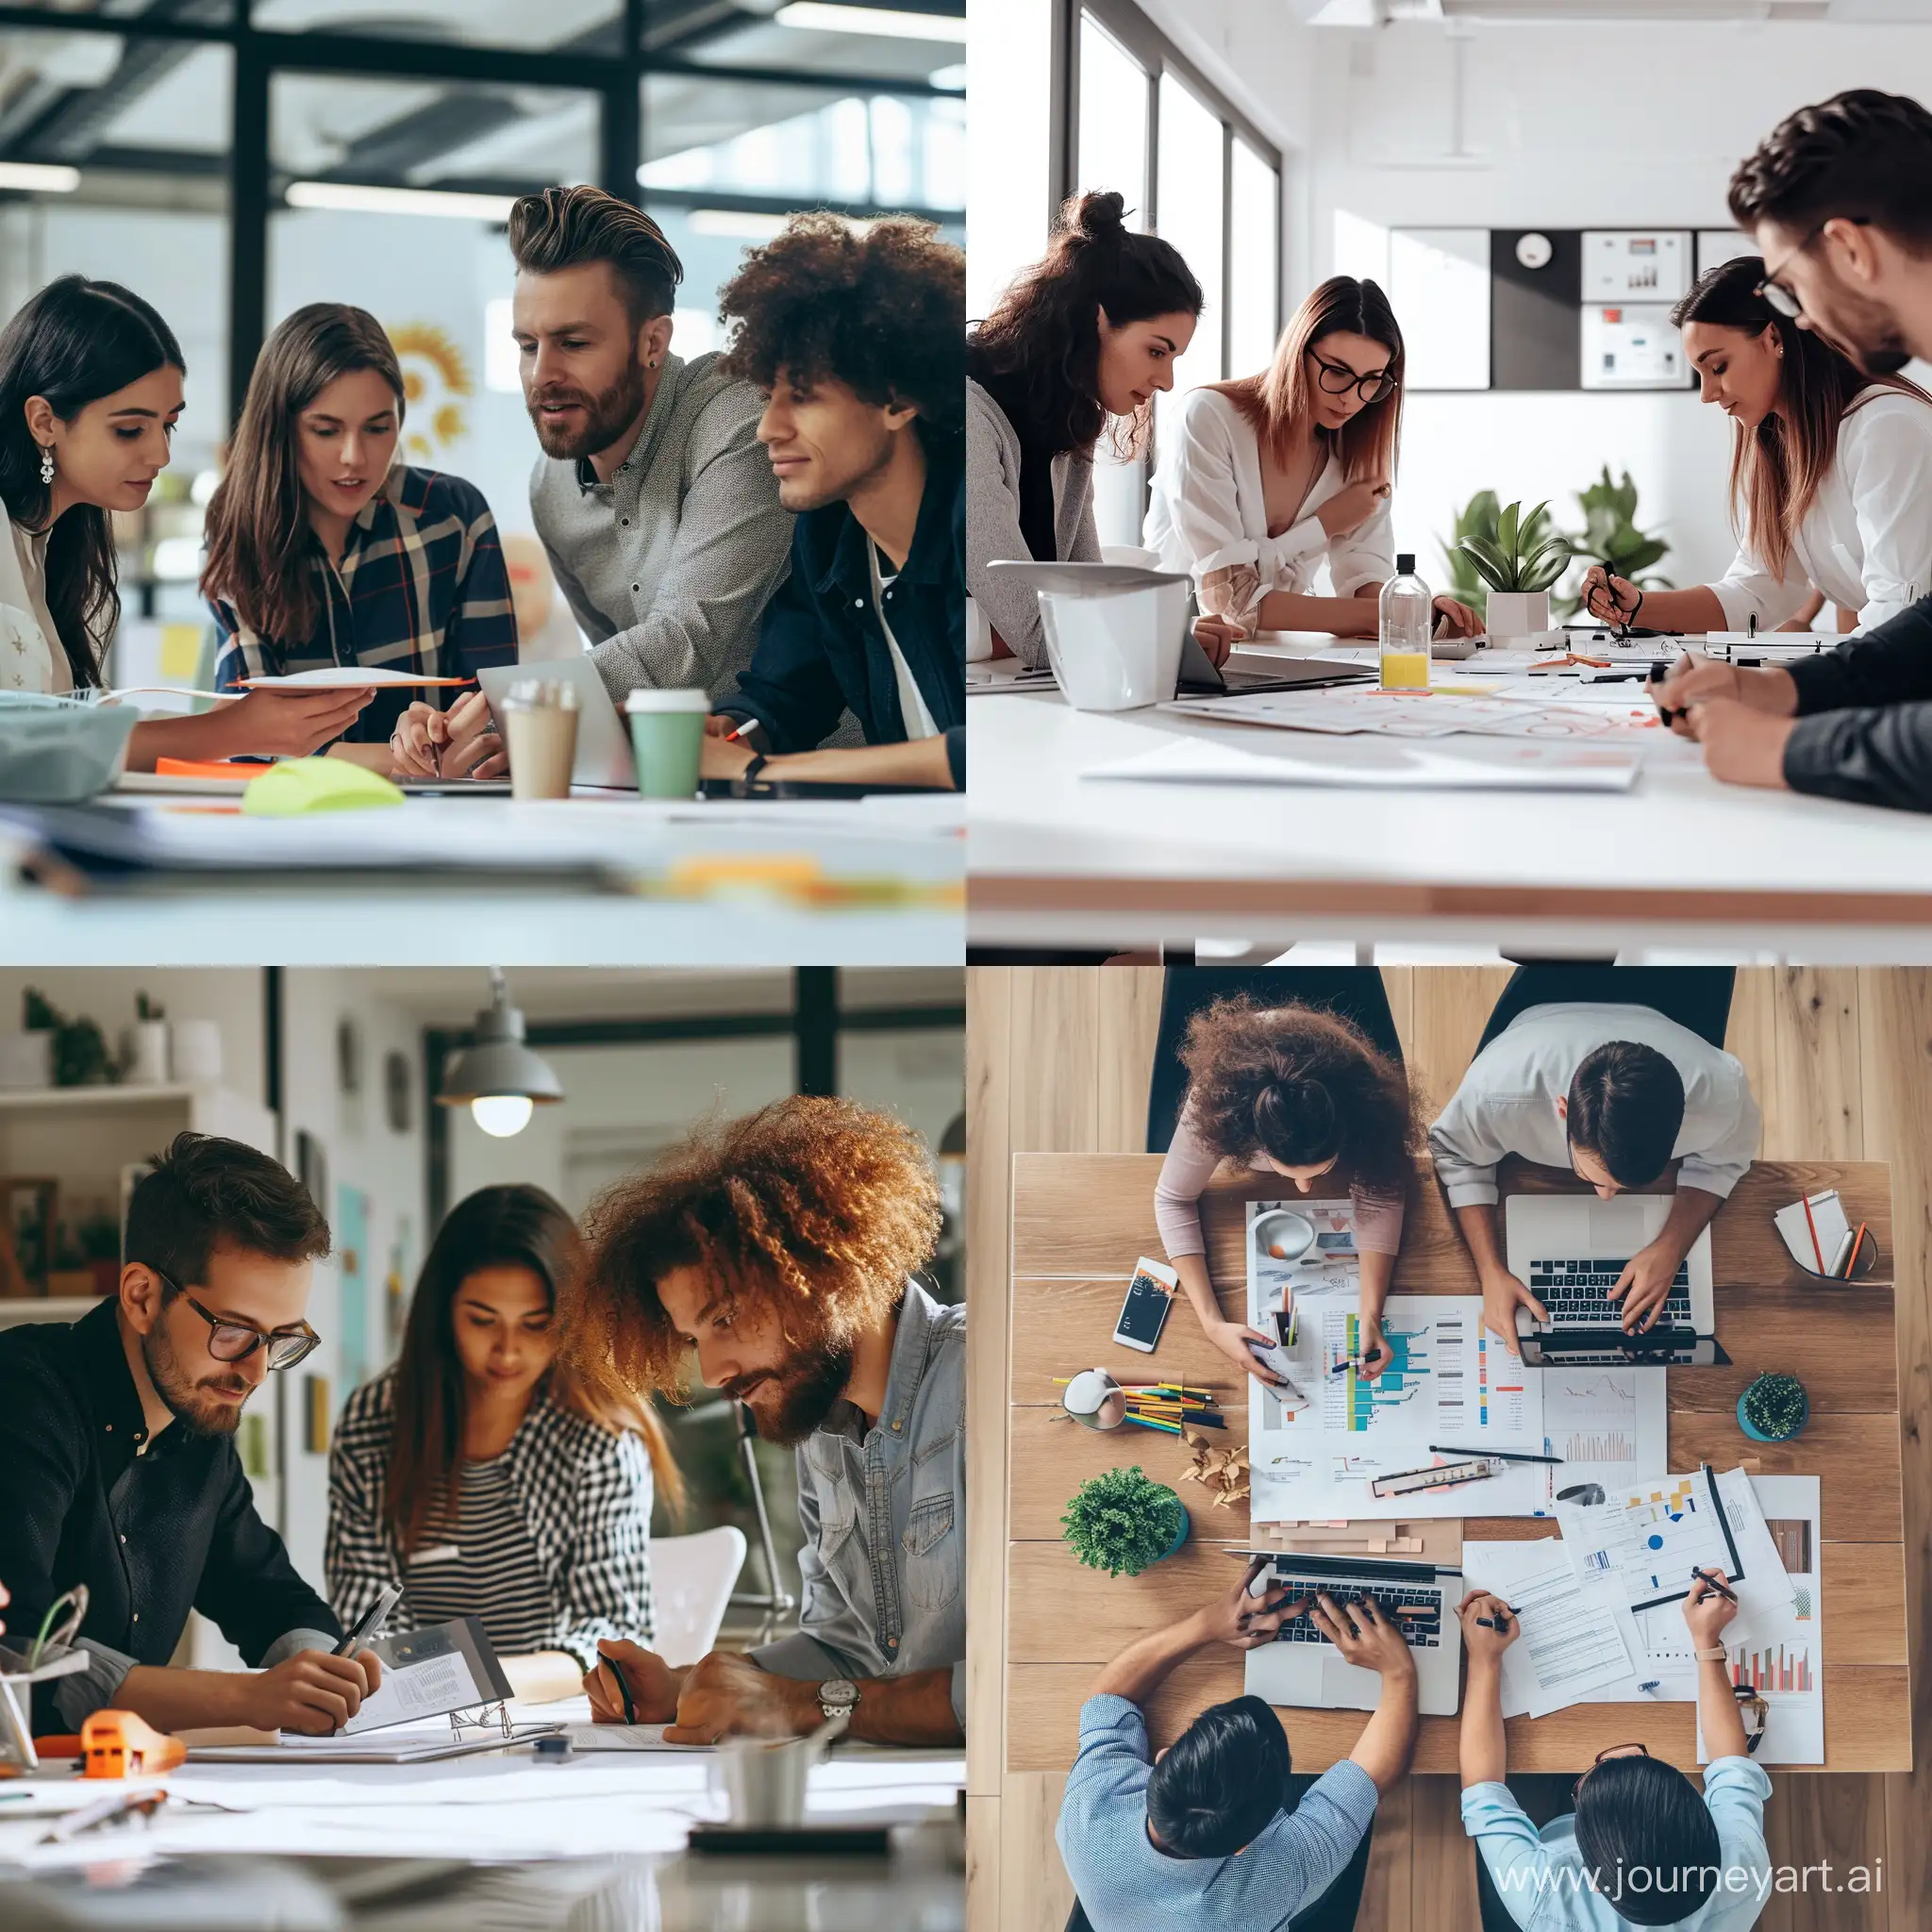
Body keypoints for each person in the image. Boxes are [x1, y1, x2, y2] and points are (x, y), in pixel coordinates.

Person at [569, 1096, 962, 1746]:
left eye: (724, 1319)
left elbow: (1019, 1682)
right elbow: (850, 1650)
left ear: (821, 1269)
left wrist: (805, 1703)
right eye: (695, 1340)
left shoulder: (980, 1384)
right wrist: (687, 1686)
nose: (715, 1371)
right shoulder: (824, 1434)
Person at [0, 1132, 383, 1736]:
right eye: (233, 1330)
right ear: (141, 1296)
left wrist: (322, 1664)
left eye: (283, 1338)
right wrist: (247, 1700)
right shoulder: (22, 1397)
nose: (256, 1371)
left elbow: (267, 1593)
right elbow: (19, 1657)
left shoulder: (199, 1426)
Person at [1647, 89, 1932, 809]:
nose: (1800, 315)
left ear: (1849, 248)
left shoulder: (1889, 420)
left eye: (1789, 286)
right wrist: (1776, 688)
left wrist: (1782, 745)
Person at [0, 275, 378, 769]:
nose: (160, 453)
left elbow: (73, 730)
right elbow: (25, 748)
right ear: (44, 422)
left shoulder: (51, 548)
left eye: (168, 424)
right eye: (130, 429)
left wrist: (243, 727)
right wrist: (231, 730)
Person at [325, 1184, 679, 1704]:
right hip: (411, 1719)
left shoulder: (600, 1435)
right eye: (482, 1320)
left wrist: (469, 1683)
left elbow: (610, 1635)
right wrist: (443, 1687)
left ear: (571, 1321)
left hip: (555, 1719)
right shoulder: (376, 1423)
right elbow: (367, 1626)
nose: (508, 1350)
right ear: (443, 1311)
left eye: (536, 1325)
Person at [703, 212, 965, 791]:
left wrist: (758, 771)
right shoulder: (828, 536)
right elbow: (782, 697)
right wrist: (727, 736)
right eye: (768, 395)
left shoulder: (967, 521)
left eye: (802, 396)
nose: (767, 429)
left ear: (897, 400)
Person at [204, 302, 519, 766]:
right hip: (295, 825)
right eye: (326, 430)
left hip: (440, 823)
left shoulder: (455, 518)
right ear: (281, 429)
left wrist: (441, 733)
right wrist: (404, 757)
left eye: (377, 428)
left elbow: (494, 718)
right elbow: (247, 741)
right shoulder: (238, 526)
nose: (355, 456)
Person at [1056, 1557, 1418, 1931]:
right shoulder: (1272, 1884)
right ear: (1246, 1848)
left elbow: (1109, 1698)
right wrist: (1399, 1672)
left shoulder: (1089, 1811)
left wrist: (1207, 1624)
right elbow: (1374, 1775)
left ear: (1163, 1760)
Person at [1578, 257, 1932, 640]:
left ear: (1774, 339)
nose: (1706, 395)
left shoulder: (1887, 428)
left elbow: (1900, 608)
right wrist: (1640, 607)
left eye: (1718, 367)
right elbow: (1758, 589)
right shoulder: (1782, 445)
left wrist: (1792, 688)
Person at [1429, 968, 1760, 1345]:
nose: (1605, 1198)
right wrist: (1489, 1271)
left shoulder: (1719, 1097)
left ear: (1684, 1119)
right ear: (1562, 1110)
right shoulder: (1496, 1092)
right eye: (1593, 1177)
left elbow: (1727, 1159)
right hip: (1546, 999)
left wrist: (1672, 1247)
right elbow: (1454, 1153)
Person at [1147, 276, 1479, 651]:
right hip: (1177, 654)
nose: (1352, 399)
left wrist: (1413, 607)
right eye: (1337, 371)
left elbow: (1366, 580)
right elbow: (1232, 603)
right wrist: (1325, 529)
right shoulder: (1208, 417)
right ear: (1297, 353)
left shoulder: (1358, 450)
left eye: (1371, 381)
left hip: (1286, 657)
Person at [1148, 974, 1422, 1391]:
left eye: (1321, 1171)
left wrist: (1370, 1314)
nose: (1304, 1191)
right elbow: (1170, 1198)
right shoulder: (1219, 1102)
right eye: (1287, 1173)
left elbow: (1383, 1193)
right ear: (1251, 1140)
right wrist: (1211, 1323)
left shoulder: (1365, 1103)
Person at [967, 189, 1203, 669]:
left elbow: (1084, 599)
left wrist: (1185, 637)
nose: (1167, 381)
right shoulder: (968, 413)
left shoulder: (1069, 427)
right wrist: (1163, 639)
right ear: (1096, 319)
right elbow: (1040, 632)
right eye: (1156, 351)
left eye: (1174, 358)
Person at [1458, 1573, 1771, 1930]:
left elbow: (1483, 1792)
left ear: (1589, 1877)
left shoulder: (1542, 1897)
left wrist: (1484, 1661)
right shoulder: (1743, 1862)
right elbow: (1732, 1765)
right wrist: (1707, 1641)